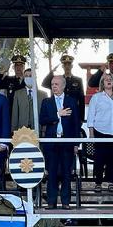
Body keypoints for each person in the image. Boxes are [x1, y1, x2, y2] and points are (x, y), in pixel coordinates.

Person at [40, 75, 80, 210]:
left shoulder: (71, 101)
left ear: (63, 86)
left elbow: (76, 123)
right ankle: (51, 201)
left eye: (56, 84)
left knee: (66, 173)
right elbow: (42, 120)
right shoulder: (46, 102)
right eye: (52, 84)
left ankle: (65, 202)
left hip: (66, 142)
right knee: (51, 173)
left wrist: (76, 143)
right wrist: (58, 115)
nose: (54, 87)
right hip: (51, 143)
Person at [87, 72, 113, 192]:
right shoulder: (97, 97)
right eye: (106, 79)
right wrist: (91, 133)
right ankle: (98, 182)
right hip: (100, 132)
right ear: (102, 83)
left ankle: (111, 182)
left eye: (110, 79)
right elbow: (91, 116)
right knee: (99, 159)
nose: (108, 81)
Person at [42, 54, 86, 124]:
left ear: (72, 66)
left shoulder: (78, 80)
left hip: (73, 112)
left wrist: (81, 118)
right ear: (63, 66)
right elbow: (44, 84)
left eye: (69, 64)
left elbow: (81, 99)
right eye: (65, 65)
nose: (67, 67)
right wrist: (52, 72)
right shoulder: (58, 79)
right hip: (60, 111)